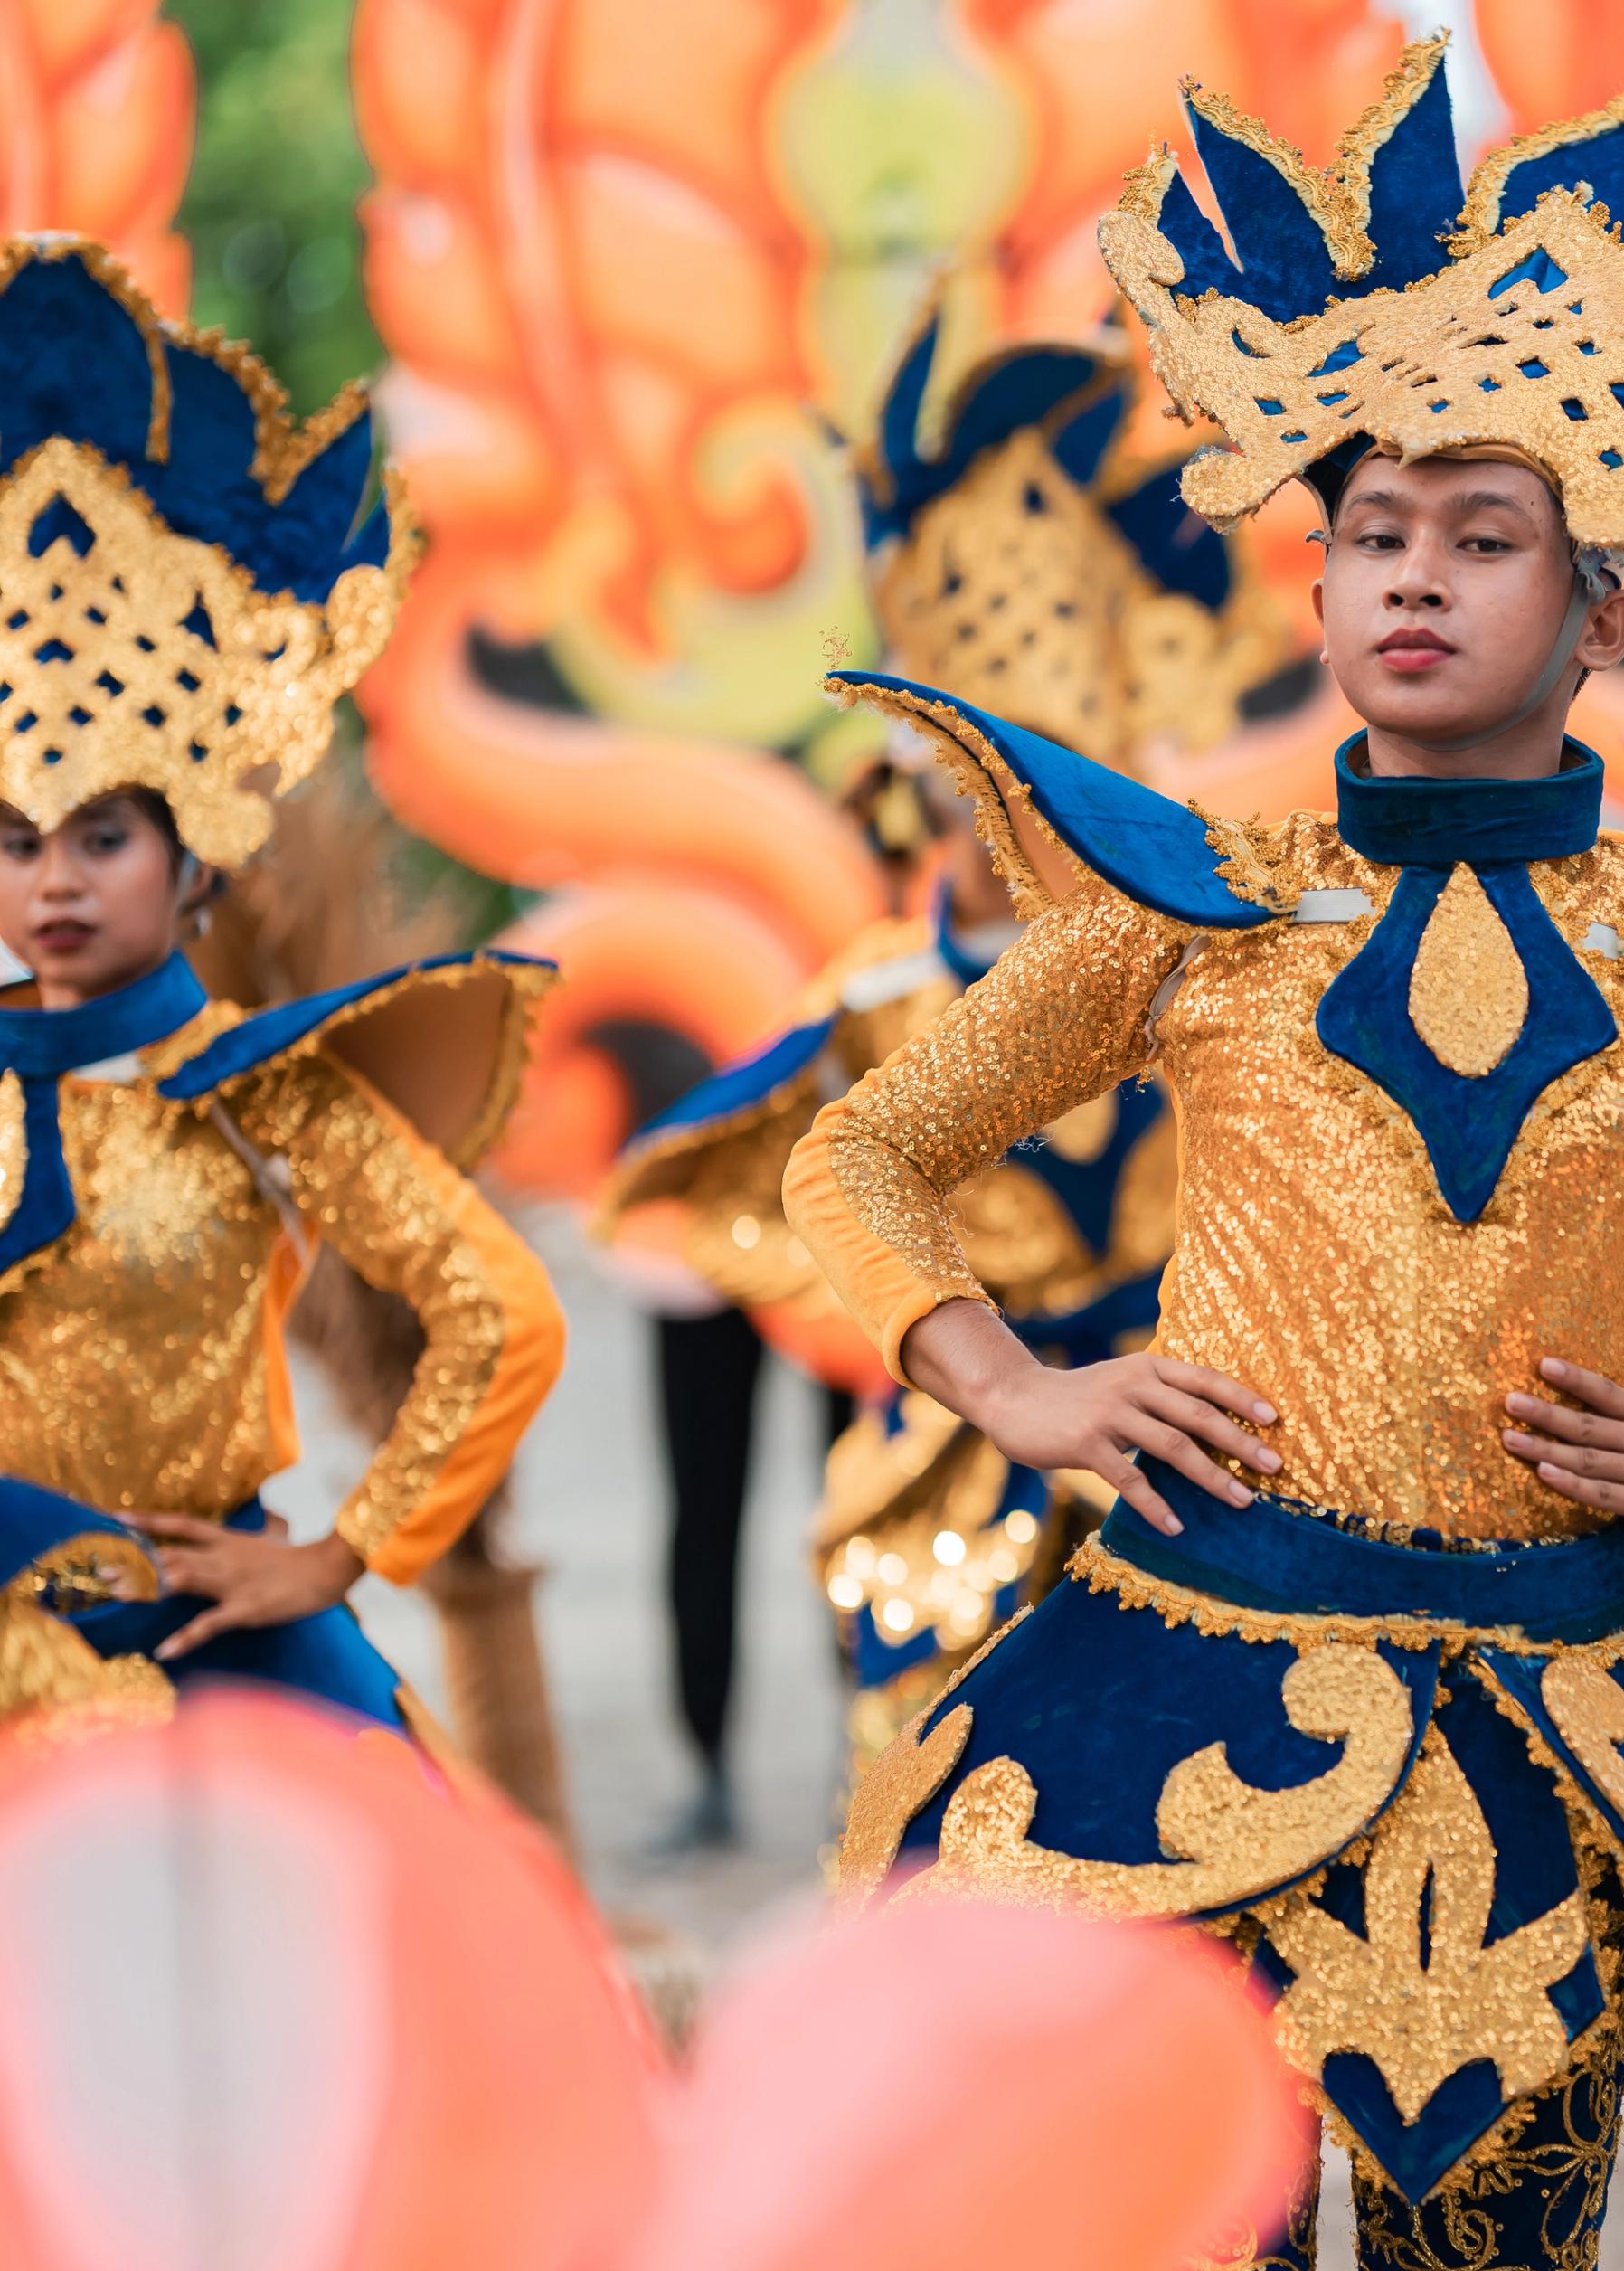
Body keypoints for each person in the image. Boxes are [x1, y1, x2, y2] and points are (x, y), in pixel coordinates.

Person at [786, 43, 1624, 2271]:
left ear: (1601, 615)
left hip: (1540, 1728)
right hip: (1185, 1692)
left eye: (1482, 540)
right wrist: (1013, 1384)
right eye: (1371, 537)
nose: (1413, 581)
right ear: (1314, 596)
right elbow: (862, 1151)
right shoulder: (1191, 908)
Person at [598, 298, 1266, 1833]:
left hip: (1185, 1455)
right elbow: (762, 1191)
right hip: (946, 1479)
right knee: (930, 1846)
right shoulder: (875, 1004)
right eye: (970, 769)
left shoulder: (1213, 970)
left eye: (1045, 775)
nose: (1010, 810)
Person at [0, 238, 562, 1748]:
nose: (54, 881)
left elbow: (498, 1313)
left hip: (205, 1647)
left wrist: (336, 1551)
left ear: (199, 861)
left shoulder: (266, 1085)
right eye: (16, 841)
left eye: (102, 838)